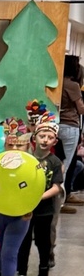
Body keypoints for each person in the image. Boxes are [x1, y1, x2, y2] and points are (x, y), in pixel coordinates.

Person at [15, 112, 64, 276]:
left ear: (54, 142)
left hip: (45, 210)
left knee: (43, 242)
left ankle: (44, 268)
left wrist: (39, 197)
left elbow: (57, 187)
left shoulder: (55, 162)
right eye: (42, 136)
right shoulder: (26, 159)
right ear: (34, 137)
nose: (45, 140)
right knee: (23, 241)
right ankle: (21, 272)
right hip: (26, 208)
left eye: (50, 138)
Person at [0, 118, 32, 276]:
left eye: (19, 145)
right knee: (0, 249)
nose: (15, 149)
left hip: (20, 213)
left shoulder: (32, 167)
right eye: (10, 145)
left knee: (9, 251)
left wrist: (29, 206)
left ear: (27, 146)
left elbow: (37, 187)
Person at [53, 56, 84, 246]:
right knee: (65, 165)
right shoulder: (72, 85)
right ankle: (59, 201)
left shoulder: (55, 83)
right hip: (70, 126)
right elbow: (80, 109)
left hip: (56, 125)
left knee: (57, 162)